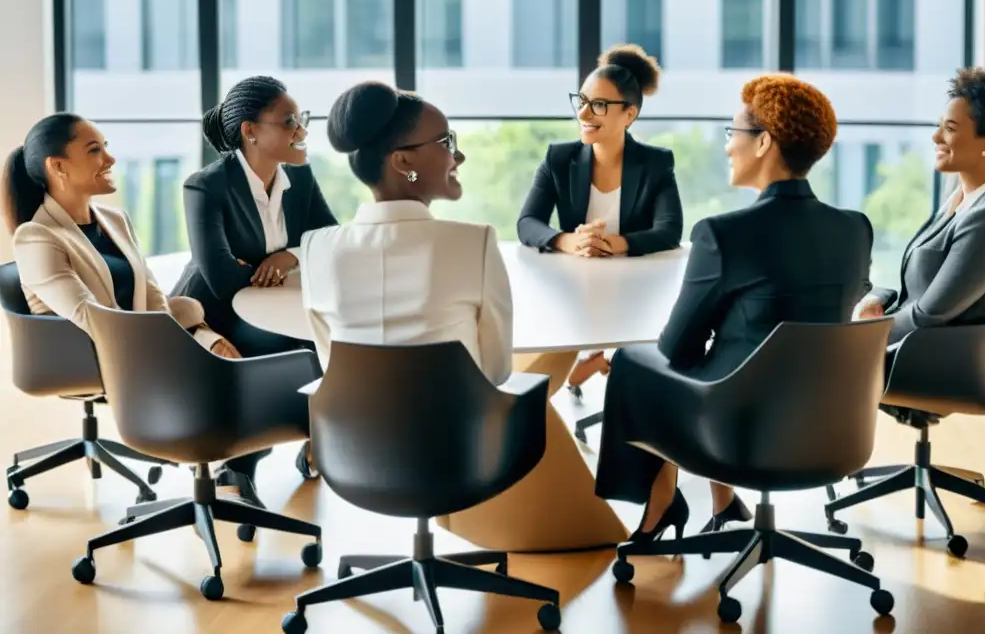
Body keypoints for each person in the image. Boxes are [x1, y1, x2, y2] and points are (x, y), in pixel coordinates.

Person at [593, 75, 873, 544]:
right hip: (832, 425)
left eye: (733, 134)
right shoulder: (854, 228)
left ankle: (658, 503)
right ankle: (719, 503)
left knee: (633, 360)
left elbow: (677, 349)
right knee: (697, 360)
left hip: (741, 427)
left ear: (763, 142)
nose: (727, 147)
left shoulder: (723, 234)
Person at [172, 75, 336, 482]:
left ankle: (309, 437)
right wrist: (296, 255)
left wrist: (286, 256)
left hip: (273, 305)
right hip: (214, 317)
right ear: (251, 132)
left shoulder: (299, 178)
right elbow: (224, 278)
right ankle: (243, 464)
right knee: (300, 353)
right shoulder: (206, 187)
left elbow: (330, 240)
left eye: (302, 120)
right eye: (288, 123)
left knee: (325, 339)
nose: (301, 132)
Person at [299, 81, 512, 387]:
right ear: (404, 163)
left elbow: (332, 365)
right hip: (454, 432)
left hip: (353, 431)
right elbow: (496, 371)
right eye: (446, 142)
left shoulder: (315, 249)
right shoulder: (474, 245)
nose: (459, 155)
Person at [2, 113, 238, 358]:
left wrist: (203, 338)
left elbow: (151, 294)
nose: (110, 159)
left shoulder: (116, 219)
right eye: (94, 151)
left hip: (138, 344)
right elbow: (92, 317)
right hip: (94, 356)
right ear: (58, 166)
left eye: (105, 148)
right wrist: (178, 345)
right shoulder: (36, 237)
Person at [517, 44, 683, 390]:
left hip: (635, 291)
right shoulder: (559, 159)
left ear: (629, 114)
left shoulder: (655, 163)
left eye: (600, 105)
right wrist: (568, 240)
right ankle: (589, 360)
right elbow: (527, 222)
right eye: (582, 102)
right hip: (572, 288)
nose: (584, 114)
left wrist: (617, 244)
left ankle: (602, 362)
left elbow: (670, 229)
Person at [855, 67, 985, 350]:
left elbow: (929, 315)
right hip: (904, 351)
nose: (935, 138)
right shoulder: (962, 200)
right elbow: (913, 294)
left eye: (949, 128)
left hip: (927, 364)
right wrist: (875, 300)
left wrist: (857, 334)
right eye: (938, 125)